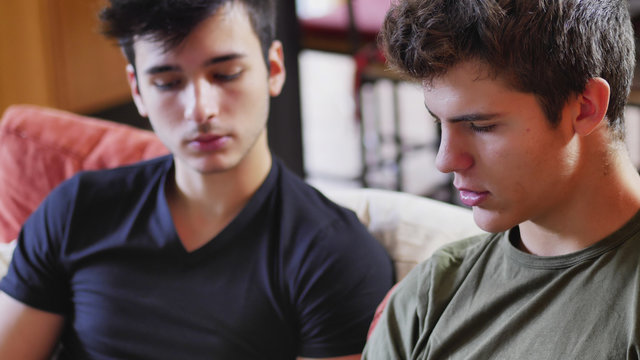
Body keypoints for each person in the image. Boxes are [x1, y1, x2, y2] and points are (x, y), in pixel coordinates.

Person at [0, 0, 394, 359]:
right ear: (138, 90)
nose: (200, 110)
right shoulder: (76, 211)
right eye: (168, 83)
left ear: (273, 70)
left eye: (225, 74)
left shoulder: (333, 256)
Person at [363, 0, 640, 358]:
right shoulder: (430, 295)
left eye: (481, 126)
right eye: (439, 122)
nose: (445, 161)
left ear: (585, 106)